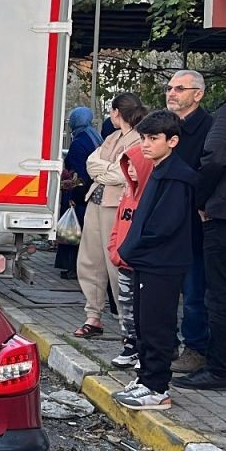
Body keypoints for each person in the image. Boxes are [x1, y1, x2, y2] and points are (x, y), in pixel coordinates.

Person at [113, 110, 198, 411]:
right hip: (147, 262)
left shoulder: (177, 177)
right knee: (143, 322)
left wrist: (132, 249)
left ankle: (157, 388)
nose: (146, 145)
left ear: (172, 141)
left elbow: (164, 225)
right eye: (144, 138)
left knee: (157, 325)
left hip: (162, 264)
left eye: (153, 138)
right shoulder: (158, 170)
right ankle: (146, 377)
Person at [74, 93, 145, 338]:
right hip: (96, 202)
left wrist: (104, 171)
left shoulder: (139, 139)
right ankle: (93, 316)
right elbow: (90, 163)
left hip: (118, 207)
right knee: (90, 261)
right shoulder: (112, 137)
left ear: (116, 112)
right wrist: (109, 169)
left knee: (116, 263)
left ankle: (129, 325)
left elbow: (122, 174)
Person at [176, 86, 226, 390]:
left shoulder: (222, 114)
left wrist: (201, 200)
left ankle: (219, 368)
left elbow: (215, 157)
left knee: (218, 295)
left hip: (221, 217)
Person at [164, 70, 215, 373]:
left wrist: (200, 203)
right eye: (169, 87)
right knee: (164, 289)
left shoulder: (208, 128)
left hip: (193, 223)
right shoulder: (166, 125)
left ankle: (196, 348)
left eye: (180, 88)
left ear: (198, 94)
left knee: (195, 292)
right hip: (166, 221)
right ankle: (165, 342)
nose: (172, 93)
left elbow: (208, 172)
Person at [107, 146, 154, 369]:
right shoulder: (126, 196)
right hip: (123, 263)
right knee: (125, 306)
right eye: (128, 167)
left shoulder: (150, 199)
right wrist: (114, 250)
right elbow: (117, 226)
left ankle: (143, 348)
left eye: (135, 166)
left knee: (143, 309)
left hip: (142, 266)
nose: (131, 170)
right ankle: (130, 345)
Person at [55, 107, 101, 279]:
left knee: (73, 233)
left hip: (79, 193)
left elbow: (78, 172)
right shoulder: (95, 137)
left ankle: (72, 267)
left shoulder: (78, 142)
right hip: (92, 192)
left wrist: (73, 195)